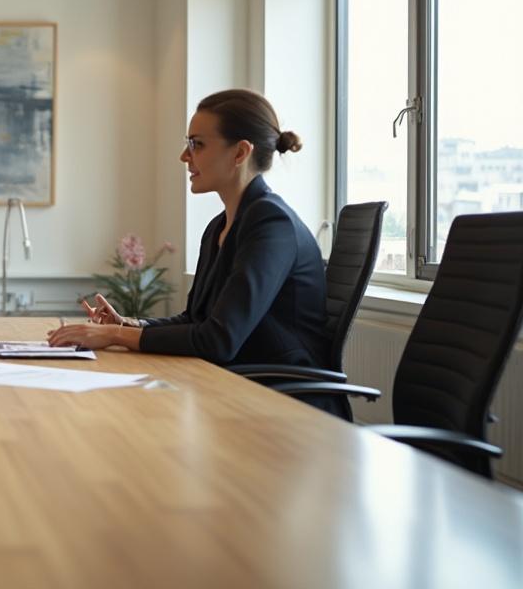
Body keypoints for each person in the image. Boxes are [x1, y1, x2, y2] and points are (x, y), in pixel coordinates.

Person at [48, 89, 339, 415]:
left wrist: (114, 334)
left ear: (240, 152)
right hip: (237, 389)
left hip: (286, 407)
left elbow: (219, 340)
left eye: (196, 144)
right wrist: (129, 325)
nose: (184, 157)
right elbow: (194, 321)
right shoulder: (220, 226)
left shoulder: (272, 224)